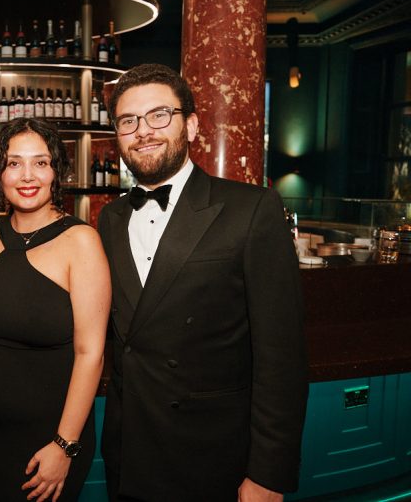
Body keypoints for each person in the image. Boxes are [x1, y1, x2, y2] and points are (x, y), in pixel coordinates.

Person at [98, 63, 308, 502]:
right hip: (129, 450)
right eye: (128, 121)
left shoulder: (251, 210)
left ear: (191, 126)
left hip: (212, 457)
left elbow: (281, 356)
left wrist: (269, 474)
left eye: (160, 115)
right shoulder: (111, 218)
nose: (143, 131)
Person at [0, 118, 110, 501]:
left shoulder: (81, 241)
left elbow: (91, 353)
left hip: (46, 440)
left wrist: (65, 445)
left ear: (56, 172)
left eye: (40, 163)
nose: (28, 176)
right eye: (14, 163)